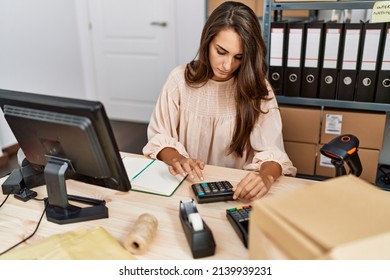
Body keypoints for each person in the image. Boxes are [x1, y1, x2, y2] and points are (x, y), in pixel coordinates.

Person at [143, 1, 296, 201]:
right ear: (207, 42)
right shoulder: (179, 80)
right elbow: (159, 138)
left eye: (239, 57)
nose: (227, 65)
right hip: (185, 188)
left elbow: (273, 152)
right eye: (221, 52)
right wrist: (178, 159)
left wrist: (265, 177)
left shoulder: (258, 88)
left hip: (236, 192)